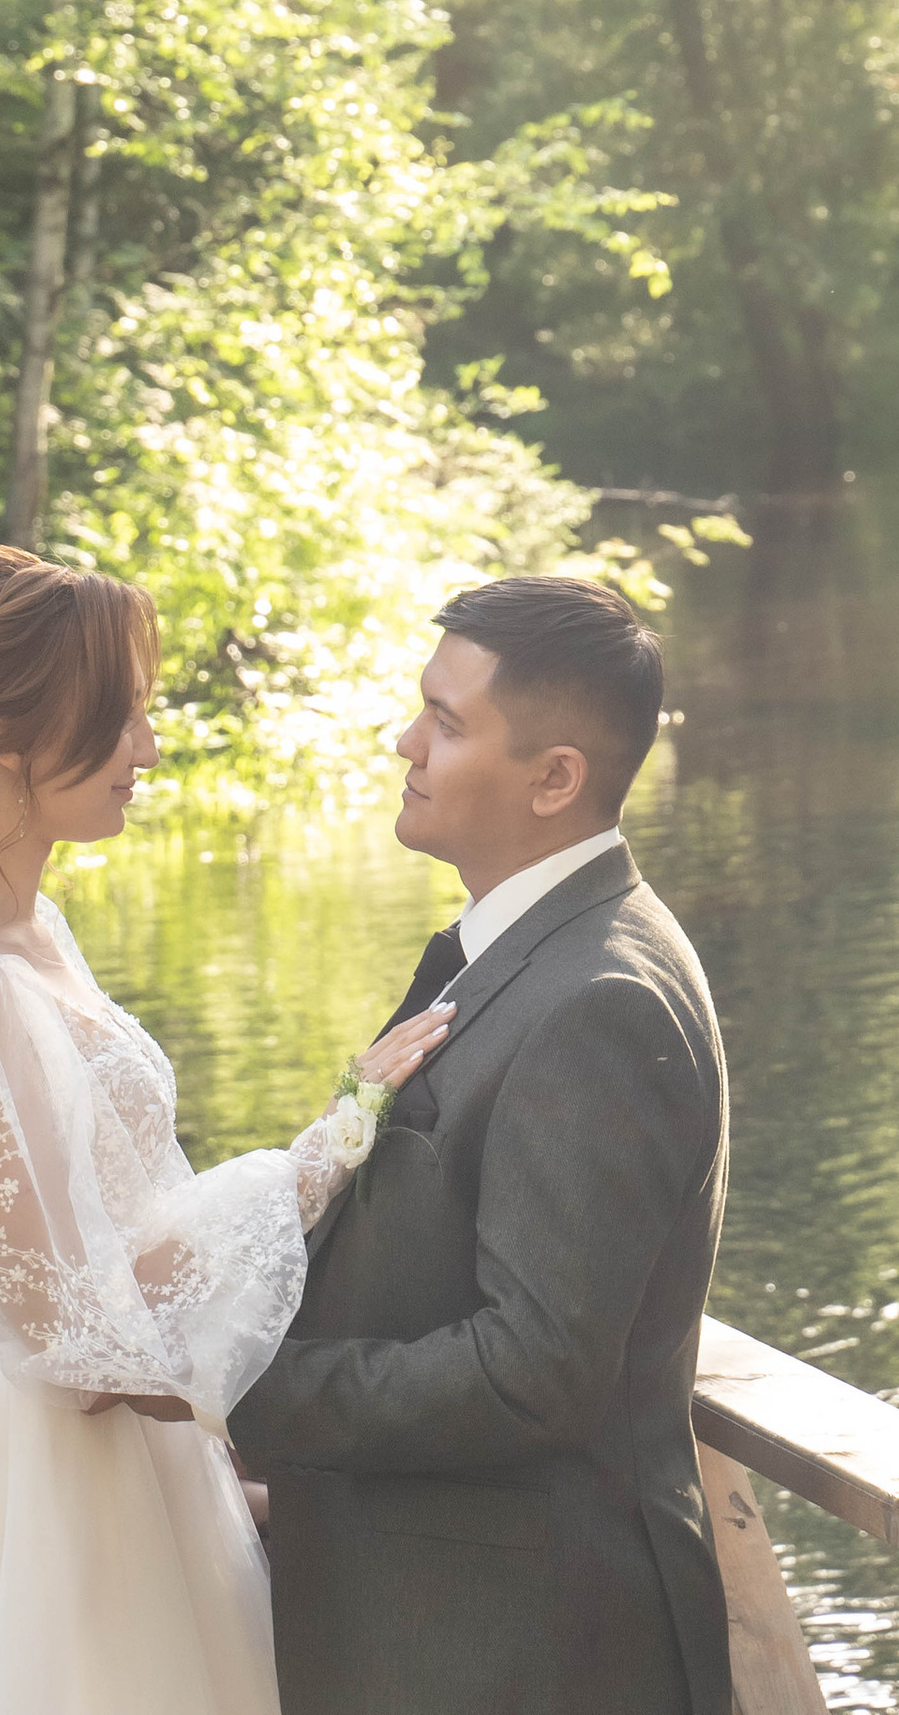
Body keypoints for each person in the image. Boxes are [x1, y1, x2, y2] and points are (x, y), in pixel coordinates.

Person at [0, 542, 451, 1715]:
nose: (148, 750)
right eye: (120, 721)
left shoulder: (30, 923)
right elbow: (66, 1334)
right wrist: (321, 1155)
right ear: (9, 733)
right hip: (14, 1495)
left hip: (106, 1470)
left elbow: (112, 1220)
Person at [228, 573, 732, 1715]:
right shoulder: (522, 948)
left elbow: (531, 1376)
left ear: (555, 779)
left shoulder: (600, 998)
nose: (404, 740)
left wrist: (247, 1391)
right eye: (422, 707)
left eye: (447, 723)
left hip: (526, 1654)